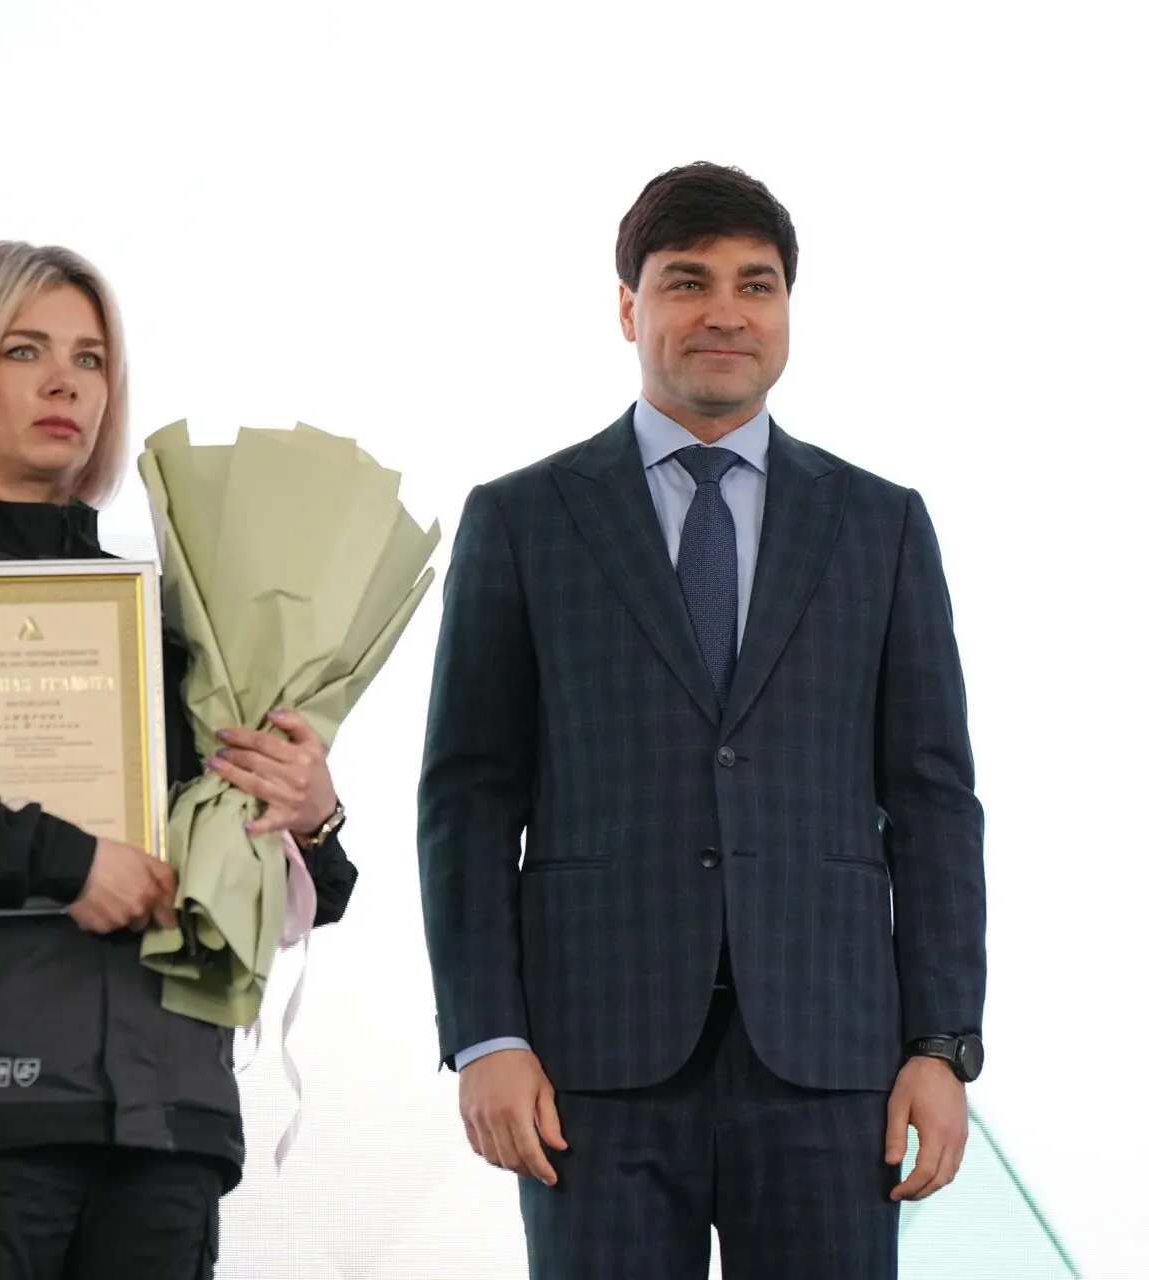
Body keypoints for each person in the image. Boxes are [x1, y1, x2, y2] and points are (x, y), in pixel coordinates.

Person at [417, 164, 987, 1278]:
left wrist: (941, 1043)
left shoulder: (880, 525)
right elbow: (470, 798)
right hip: (592, 1063)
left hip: (833, 1063)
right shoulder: (523, 519)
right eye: (688, 282)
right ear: (628, 307)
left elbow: (932, 801)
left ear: (787, 308)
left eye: (755, 285)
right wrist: (487, 1034)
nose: (726, 311)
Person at [0, 241, 356, 1278]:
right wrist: (67, 860)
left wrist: (309, 814)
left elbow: (279, 875)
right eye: (24, 349)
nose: (64, 382)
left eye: (90, 359)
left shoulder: (176, 619)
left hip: (168, 1124)